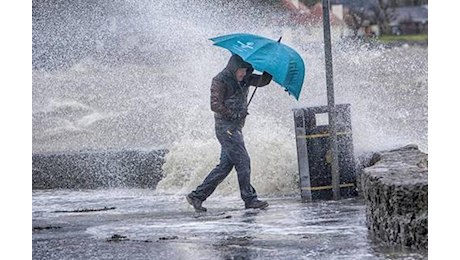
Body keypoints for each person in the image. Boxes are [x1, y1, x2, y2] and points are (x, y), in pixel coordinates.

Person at [186, 54, 272, 212]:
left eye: (246, 71)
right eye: (241, 71)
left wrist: (269, 69)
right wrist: (233, 114)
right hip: (225, 128)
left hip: (236, 128)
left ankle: (197, 196)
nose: (243, 74)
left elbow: (262, 81)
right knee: (243, 161)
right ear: (234, 68)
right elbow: (214, 105)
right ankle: (250, 199)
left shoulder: (246, 78)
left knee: (225, 166)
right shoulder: (220, 80)